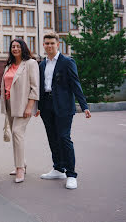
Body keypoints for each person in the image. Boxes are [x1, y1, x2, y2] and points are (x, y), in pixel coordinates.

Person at [36, 33, 91, 190]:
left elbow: (75, 84)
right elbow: (39, 87)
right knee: (53, 138)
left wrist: (84, 106)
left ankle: (71, 174)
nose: (49, 46)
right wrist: (37, 107)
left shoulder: (67, 62)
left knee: (64, 138)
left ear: (58, 44)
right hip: (46, 106)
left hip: (64, 106)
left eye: (52, 43)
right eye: (46, 43)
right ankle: (58, 168)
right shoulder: (42, 65)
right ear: (43, 45)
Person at [0, 39, 39, 183]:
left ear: (23, 48)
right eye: (13, 46)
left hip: (24, 105)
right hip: (10, 104)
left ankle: (20, 168)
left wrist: (30, 106)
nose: (15, 49)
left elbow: (35, 86)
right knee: (17, 135)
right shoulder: (9, 65)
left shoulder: (30, 63)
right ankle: (21, 163)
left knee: (17, 132)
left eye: (18, 46)